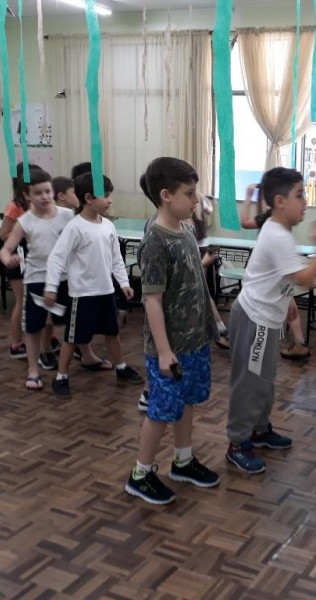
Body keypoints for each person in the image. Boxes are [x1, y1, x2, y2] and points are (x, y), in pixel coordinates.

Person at [124, 157, 219, 505]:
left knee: (187, 401)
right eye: (189, 194)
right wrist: (164, 352)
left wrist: (214, 322)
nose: (196, 200)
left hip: (194, 340)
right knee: (162, 411)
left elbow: (196, 281)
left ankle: (182, 460)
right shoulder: (155, 240)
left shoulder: (186, 229)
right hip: (170, 349)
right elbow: (151, 300)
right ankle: (140, 475)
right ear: (166, 195)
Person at [225, 167, 316, 474]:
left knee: (264, 380)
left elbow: (278, 274)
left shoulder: (277, 229)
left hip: (266, 318)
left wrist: (287, 299)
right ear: (280, 201)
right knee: (249, 383)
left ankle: (259, 429)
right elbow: (307, 278)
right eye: (300, 195)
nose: (305, 202)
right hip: (254, 319)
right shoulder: (278, 235)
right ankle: (238, 442)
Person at [44, 172, 143, 399]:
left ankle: (121, 368)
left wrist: (124, 283)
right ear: (88, 198)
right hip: (82, 294)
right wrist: (51, 287)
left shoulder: (108, 226)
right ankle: (61, 377)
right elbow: (57, 258)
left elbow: (116, 258)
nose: (110, 200)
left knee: (112, 332)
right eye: (105, 196)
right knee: (73, 338)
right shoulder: (75, 227)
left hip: (106, 291)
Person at [0, 167, 73, 389]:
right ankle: (33, 370)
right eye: (38, 193)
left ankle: (66, 366)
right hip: (36, 278)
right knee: (33, 326)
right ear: (27, 195)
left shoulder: (67, 215)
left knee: (70, 322)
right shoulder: (25, 221)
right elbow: (5, 249)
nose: (44, 197)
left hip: (65, 278)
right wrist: (8, 259)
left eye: (48, 191)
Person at [240, 182, 310, 360]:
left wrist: (248, 196)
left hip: (272, 281)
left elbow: (245, 222)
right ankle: (299, 343)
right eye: (299, 195)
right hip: (270, 283)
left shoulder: (273, 221)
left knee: (287, 308)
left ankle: (299, 344)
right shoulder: (271, 220)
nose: (304, 202)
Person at [51, 175, 105, 370]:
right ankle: (49, 356)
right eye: (74, 192)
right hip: (55, 276)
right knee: (53, 319)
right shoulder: (63, 218)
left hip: (72, 277)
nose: (78, 196)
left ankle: (86, 354)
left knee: (74, 320)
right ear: (62, 196)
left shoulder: (72, 216)